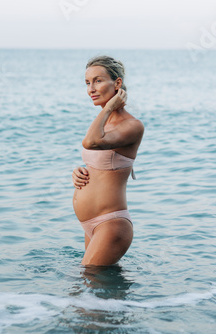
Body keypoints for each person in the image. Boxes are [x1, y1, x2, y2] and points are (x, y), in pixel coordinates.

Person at [72, 55, 145, 266]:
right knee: (92, 293)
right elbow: (98, 160)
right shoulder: (104, 125)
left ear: (117, 84)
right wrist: (79, 172)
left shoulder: (132, 126)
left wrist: (109, 107)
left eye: (98, 80)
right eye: (87, 83)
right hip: (91, 223)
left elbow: (90, 142)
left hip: (111, 223)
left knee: (85, 287)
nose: (91, 89)